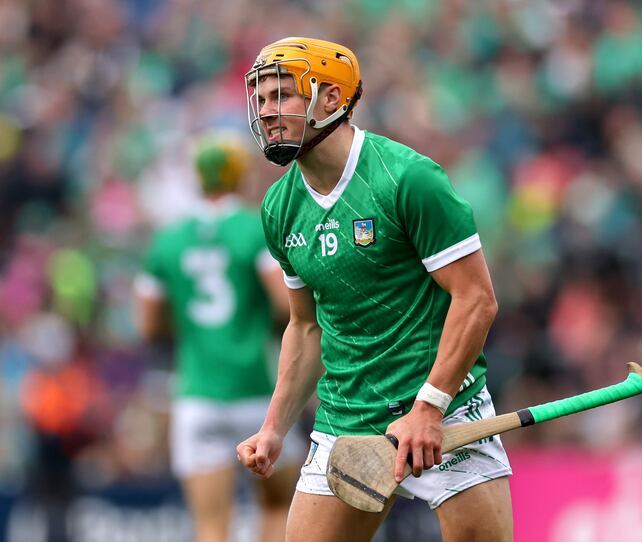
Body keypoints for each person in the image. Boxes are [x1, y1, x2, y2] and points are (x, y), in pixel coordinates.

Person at [236, 37, 514, 542]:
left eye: (282, 96)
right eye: (261, 99)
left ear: (330, 100)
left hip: (445, 417)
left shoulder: (409, 179)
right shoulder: (279, 207)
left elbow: (476, 300)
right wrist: (275, 426)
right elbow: (304, 326)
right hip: (346, 421)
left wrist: (429, 407)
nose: (267, 112)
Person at [133, 133, 302, 542]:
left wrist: (193, 329)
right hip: (257, 393)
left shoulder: (168, 241)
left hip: (196, 394)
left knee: (211, 525)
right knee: (278, 506)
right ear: (239, 174)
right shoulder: (252, 230)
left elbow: (149, 325)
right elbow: (286, 305)